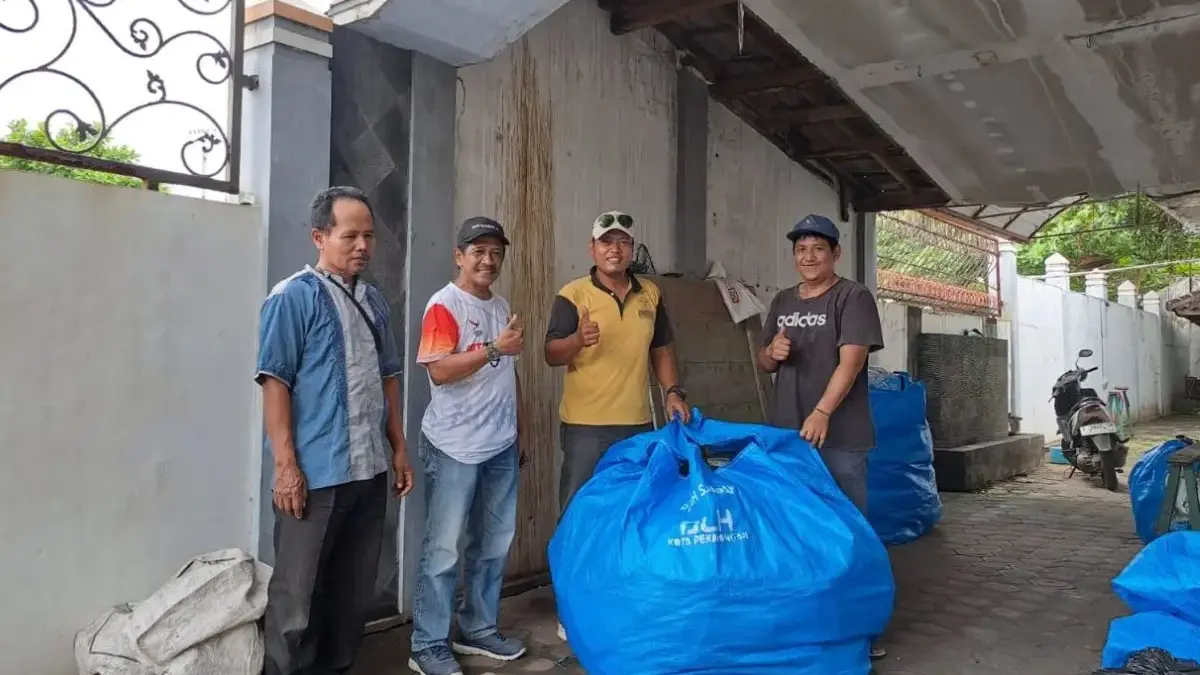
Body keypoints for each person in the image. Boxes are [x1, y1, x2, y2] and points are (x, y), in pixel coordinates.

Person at [256, 186, 414, 675]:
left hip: (367, 473)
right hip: (315, 477)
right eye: (351, 235)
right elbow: (274, 383)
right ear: (319, 237)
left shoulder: (374, 301)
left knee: (349, 597)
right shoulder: (292, 298)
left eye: (369, 235)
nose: (363, 245)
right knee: (297, 602)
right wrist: (286, 467)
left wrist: (399, 449)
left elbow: (389, 379)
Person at [544, 210, 690, 641]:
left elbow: (661, 349)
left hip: (637, 426)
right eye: (606, 241)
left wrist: (673, 392)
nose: (614, 248)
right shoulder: (572, 294)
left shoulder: (651, 294)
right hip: (586, 426)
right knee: (578, 516)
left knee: (633, 515)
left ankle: (619, 600)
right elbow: (552, 353)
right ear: (592, 249)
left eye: (623, 242)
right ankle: (570, 609)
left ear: (631, 249)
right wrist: (577, 341)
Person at [756, 213, 887, 661]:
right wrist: (771, 353)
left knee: (847, 530)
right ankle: (806, 621)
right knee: (794, 527)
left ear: (835, 254)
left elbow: (851, 362)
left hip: (839, 434)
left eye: (818, 249)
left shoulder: (853, 297)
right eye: (801, 250)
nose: (808, 257)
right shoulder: (782, 300)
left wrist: (822, 411)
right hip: (786, 435)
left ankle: (858, 627)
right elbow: (765, 361)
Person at [408, 217, 529, 675]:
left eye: (496, 251)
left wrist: (522, 426)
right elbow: (438, 370)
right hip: (454, 446)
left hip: (500, 444)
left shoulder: (500, 305)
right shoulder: (444, 305)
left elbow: (507, 372)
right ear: (459, 255)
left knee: (494, 544)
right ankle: (427, 643)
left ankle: (477, 629)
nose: (488, 259)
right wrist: (495, 348)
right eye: (478, 250)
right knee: (443, 551)